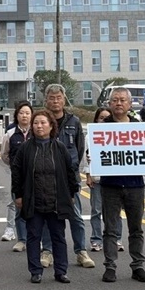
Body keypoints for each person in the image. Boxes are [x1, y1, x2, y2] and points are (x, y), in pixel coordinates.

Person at [12, 109, 78, 283]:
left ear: (51, 126)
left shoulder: (60, 148)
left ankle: (61, 271)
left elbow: (70, 172)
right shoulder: (26, 148)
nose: (39, 126)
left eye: (43, 123)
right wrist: (18, 195)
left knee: (58, 236)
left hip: (56, 200)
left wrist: (71, 193)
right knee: (33, 236)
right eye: (35, 123)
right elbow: (17, 172)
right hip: (33, 200)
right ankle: (35, 271)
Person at [40, 84, 94, 269]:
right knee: (48, 217)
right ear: (46, 100)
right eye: (52, 98)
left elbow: (79, 150)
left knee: (76, 216)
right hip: (46, 178)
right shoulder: (41, 121)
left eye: (58, 97)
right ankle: (47, 251)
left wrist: (70, 171)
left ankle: (81, 251)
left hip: (69, 179)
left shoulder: (74, 122)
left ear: (64, 99)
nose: (55, 101)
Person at [100, 87, 145, 283]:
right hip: (110, 184)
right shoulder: (102, 127)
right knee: (110, 229)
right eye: (115, 100)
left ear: (130, 104)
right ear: (110, 104)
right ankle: (110, 266)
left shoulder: (138, 126)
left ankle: (137, 266)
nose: (119, 103)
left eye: (122, 100)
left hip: (135, 184)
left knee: (136, 228)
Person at [81, 107, 124, 253]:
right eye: (101, 118)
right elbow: (87, 157)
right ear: (96, 119)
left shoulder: (118, 134)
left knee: (115, 211)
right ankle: (96, 239)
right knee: (96, 211)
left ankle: (117, 238)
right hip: (97, 179)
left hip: (114, 180)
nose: (104, 120)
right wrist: (88, 175)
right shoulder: (90, 136)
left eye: (107, 118)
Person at [0, 101, 33, 252]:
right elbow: (5, 155)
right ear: (16, 116)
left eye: (27, 113)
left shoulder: (37, 131)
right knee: (19, 207)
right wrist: (15, 167)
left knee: (38, 209)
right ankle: (22, 239)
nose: (24, 115)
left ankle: (37, 239)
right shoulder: (10, 134)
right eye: (21, 113)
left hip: (37, 178)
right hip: (18, 177)